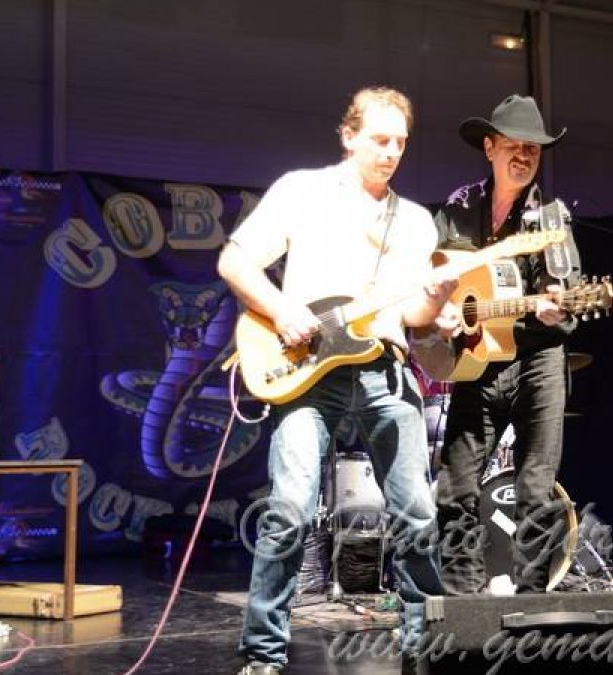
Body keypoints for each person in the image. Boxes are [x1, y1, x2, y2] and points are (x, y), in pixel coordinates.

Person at [218, 86, 457, 674]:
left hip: (384, 368)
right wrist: (281, 309)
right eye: (380, 139)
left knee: (417, 511)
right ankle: (263, 655)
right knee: (289, 511)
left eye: (401, 142)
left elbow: (414, 315)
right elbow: (234, 261)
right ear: (349, 136)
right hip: (307, 371)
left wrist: (437, 299)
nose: (392, 152)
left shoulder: (415, 221)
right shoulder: (302, 190)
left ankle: (425, 646)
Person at [426, 94, 582, 595]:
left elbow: (565, 289)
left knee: (535, 489)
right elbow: (427, 274)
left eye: (533, 149)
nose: (524, 155)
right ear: (489, 147)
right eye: (514, 145)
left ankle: (531, 600)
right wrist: (439, 309)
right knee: (455, 486)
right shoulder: (457, 210)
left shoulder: (550, 218)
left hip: (538, 359)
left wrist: (559, 305)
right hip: (477, 361)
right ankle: (462, 600)